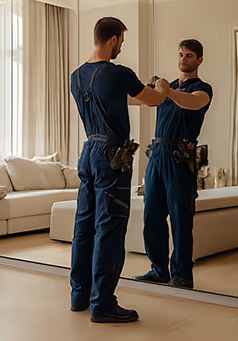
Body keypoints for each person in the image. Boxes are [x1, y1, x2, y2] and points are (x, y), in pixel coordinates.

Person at [69, 17, 167, 323]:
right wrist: (161, 88)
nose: (121, 47)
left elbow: (108, 101)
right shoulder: (118, 73)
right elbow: (154, 100)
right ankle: (103, 304)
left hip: (89, 152)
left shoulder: (76, 76)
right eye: (121, 41)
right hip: (114, 154)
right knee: (110, 228)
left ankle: (79, 295)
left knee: (84, 226)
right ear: (113, 40)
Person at [132, 39, 213, 289]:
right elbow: (135, 100)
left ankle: (182, 276)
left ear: (199, 60)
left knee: (180, 217)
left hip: (182, 156)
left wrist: (166, 91)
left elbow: (192, 103)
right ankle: (159, 270)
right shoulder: (166, 89)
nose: (182, 59)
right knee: (152, 216)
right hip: (157, 153)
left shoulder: (203, 88)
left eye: (189, 55)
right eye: (180, 54)